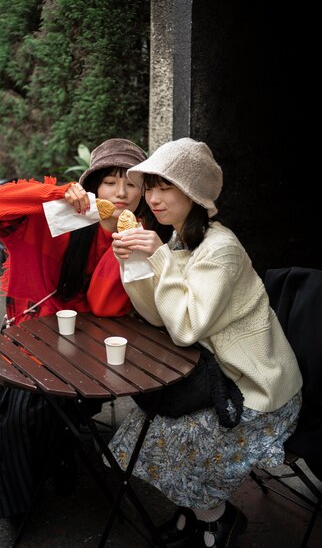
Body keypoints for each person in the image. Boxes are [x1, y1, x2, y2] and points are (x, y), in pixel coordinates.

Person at [110, 137, 303, 548]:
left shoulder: (221, 249)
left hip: (260, 389)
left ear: (193, 194)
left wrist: (159, 258)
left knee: (174, 440)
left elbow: (184, 329)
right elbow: (156, 314)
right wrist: (134, 263)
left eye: (166, 187)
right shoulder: (181, 240)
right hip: (219, 375)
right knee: (143, 427)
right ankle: (195, 515)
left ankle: (216, 522)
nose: (153, 198)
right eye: (150, 187)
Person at [0, 138, 147, 521]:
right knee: (18, 405)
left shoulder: (135, 234)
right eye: (110, 182)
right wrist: (57, 193)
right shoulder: (57, 216)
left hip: (87, 347)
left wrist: (122, 246)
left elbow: (106, 306)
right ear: (94, 186)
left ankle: (62, 451)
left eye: (132, 183)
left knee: (71, 399)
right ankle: (22, 497)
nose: (121, 193)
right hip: (32, 335)